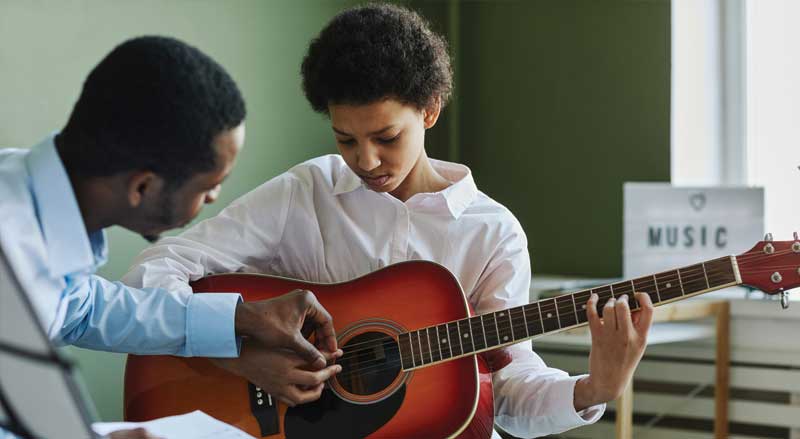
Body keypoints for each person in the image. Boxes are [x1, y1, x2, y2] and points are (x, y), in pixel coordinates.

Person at [123, 4, 654, 438]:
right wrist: (235, 351)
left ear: (430, 110)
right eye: (345, 139)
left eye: (386, 137)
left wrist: (594, 391)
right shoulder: (306, 192)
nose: (366, 160)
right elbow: (153, 271)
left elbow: (508, 391)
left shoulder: (493, 233)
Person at [0, 36, 340, 439]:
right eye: (208, 186)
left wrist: (239, 320)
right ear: (142, 186)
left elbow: (83, 308)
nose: (215, 197)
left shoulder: (31, 203)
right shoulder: (10, 252)